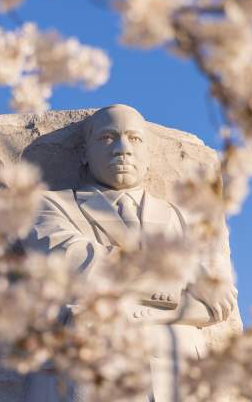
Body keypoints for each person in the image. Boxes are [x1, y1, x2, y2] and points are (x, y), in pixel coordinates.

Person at [23, 104, 237, 401]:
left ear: (148, 156)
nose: (123, 149)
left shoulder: (182, 218)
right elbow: (78, 268)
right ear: (84, 152)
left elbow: (217, 305)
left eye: (135, 139)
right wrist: (181, 282)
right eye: (108, 137)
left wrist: (135, 310)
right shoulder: (49, 206)